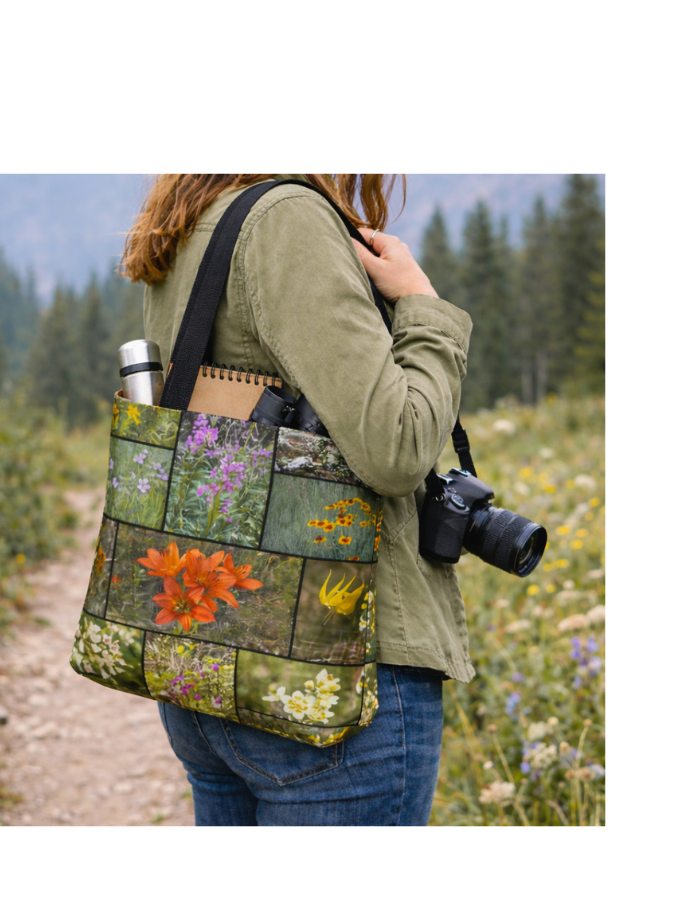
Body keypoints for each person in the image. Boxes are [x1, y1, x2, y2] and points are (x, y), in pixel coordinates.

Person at [121, 173, 472, 827]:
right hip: (333, 669)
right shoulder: (288, 218)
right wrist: (425, 309)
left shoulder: (187, 218)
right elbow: (394, 446)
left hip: (211, 654)